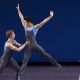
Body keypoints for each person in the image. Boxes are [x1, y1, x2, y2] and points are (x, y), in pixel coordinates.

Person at [16, 3, 62, 80]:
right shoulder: (25, 26)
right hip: (28, 46)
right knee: (25, 60)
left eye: (25, 21)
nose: (24, 22)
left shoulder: (35, 27)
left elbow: (43, 21)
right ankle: (20, 75)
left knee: (45, 54)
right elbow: (21, 17)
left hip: (35, 45)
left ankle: (56, 64)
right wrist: (18, 10)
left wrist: (51, 16)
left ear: (29, 22)